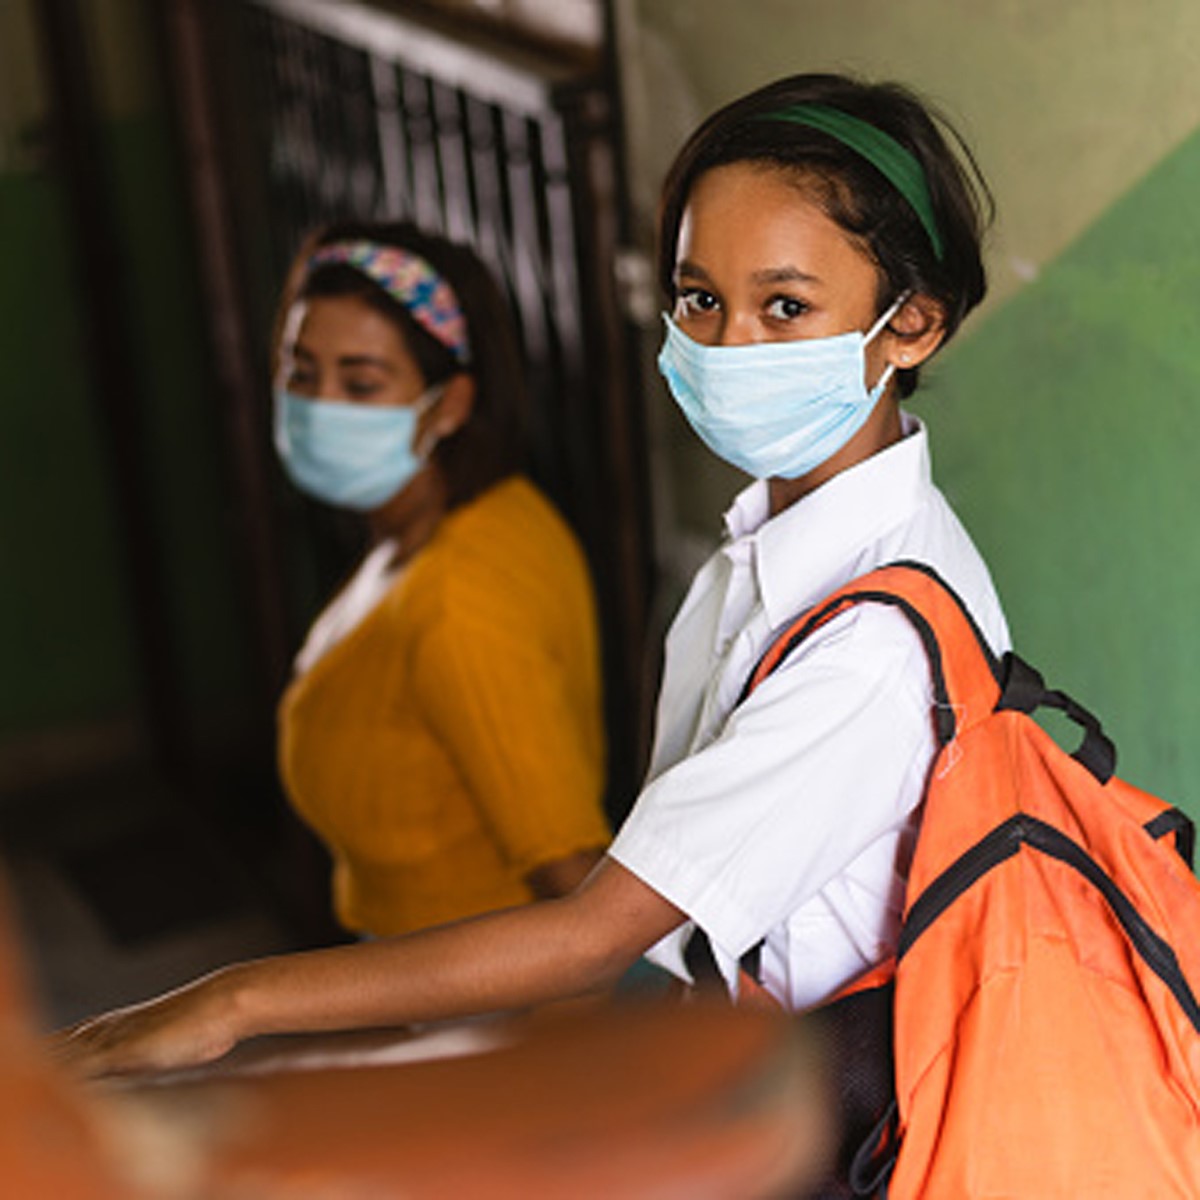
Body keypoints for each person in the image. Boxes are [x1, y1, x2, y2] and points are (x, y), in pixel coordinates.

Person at [54, 72, 1009, 1077]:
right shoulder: (774, 547)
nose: (729, 347)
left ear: (912, 324)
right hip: (738, 1057)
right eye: (699, 299)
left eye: (785, 307)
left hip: (835, 1109)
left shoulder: (868, 644)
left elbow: (592, 933)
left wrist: (234, 1002)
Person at [268, 221, 611, 937]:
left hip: (478, 987)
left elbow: (575, 883)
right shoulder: (480, 512)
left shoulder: (459, 605)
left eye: (361, 383)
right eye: (301, 372)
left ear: (450, 403)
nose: (320, 405)